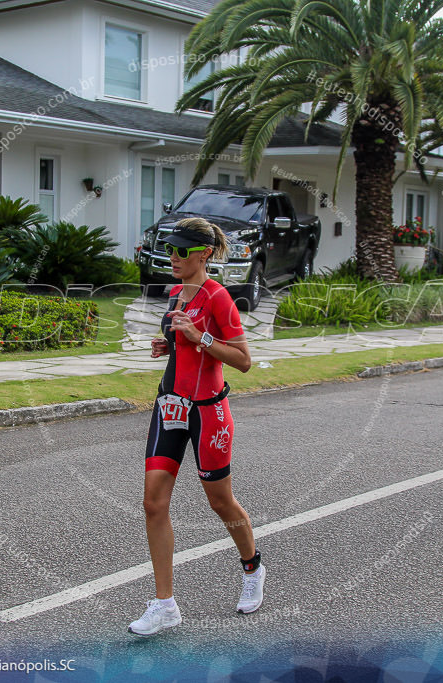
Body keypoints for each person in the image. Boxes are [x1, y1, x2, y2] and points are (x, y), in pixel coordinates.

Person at [128, 217, 265, 636]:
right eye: (170, 249)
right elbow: (181, 344)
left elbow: (242, 360)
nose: (173, 257)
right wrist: (168, 344)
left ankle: (253, 568)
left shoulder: (218, 298)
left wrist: (200, 337)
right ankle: (165, 604)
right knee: (153, 503)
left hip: (208, 412)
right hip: (170, 405)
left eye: (181, 251)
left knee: (220, 502)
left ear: (203, 253)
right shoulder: (176, 294)